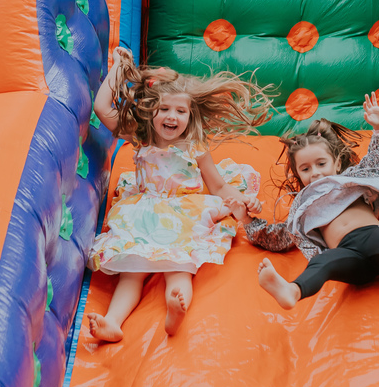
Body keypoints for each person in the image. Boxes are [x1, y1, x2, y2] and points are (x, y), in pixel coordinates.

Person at [87, 47, 272, 340]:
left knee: (180, 266)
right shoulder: (141, 135)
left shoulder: (195, 146)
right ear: (150, 111)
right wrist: (119, 66)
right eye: (164, 109)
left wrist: (242, 200)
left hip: (185, 213)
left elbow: (218, 186)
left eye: (180, 111)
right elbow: (101, 107)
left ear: (190, 114)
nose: (171, 116)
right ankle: (112, 322)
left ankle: (176, 308)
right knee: (131, 270)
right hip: (144, 212)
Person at [231, 92, 379, 309]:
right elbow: (278, 237)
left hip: (372, 240)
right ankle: (293, 291)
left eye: (321, 164)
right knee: (322, 262)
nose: (315, 172)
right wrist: (246, 220)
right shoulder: (302, 206)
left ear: (338, 163)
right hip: (348, 257)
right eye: (305, 169)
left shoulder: (353, 178)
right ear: (298, 175)